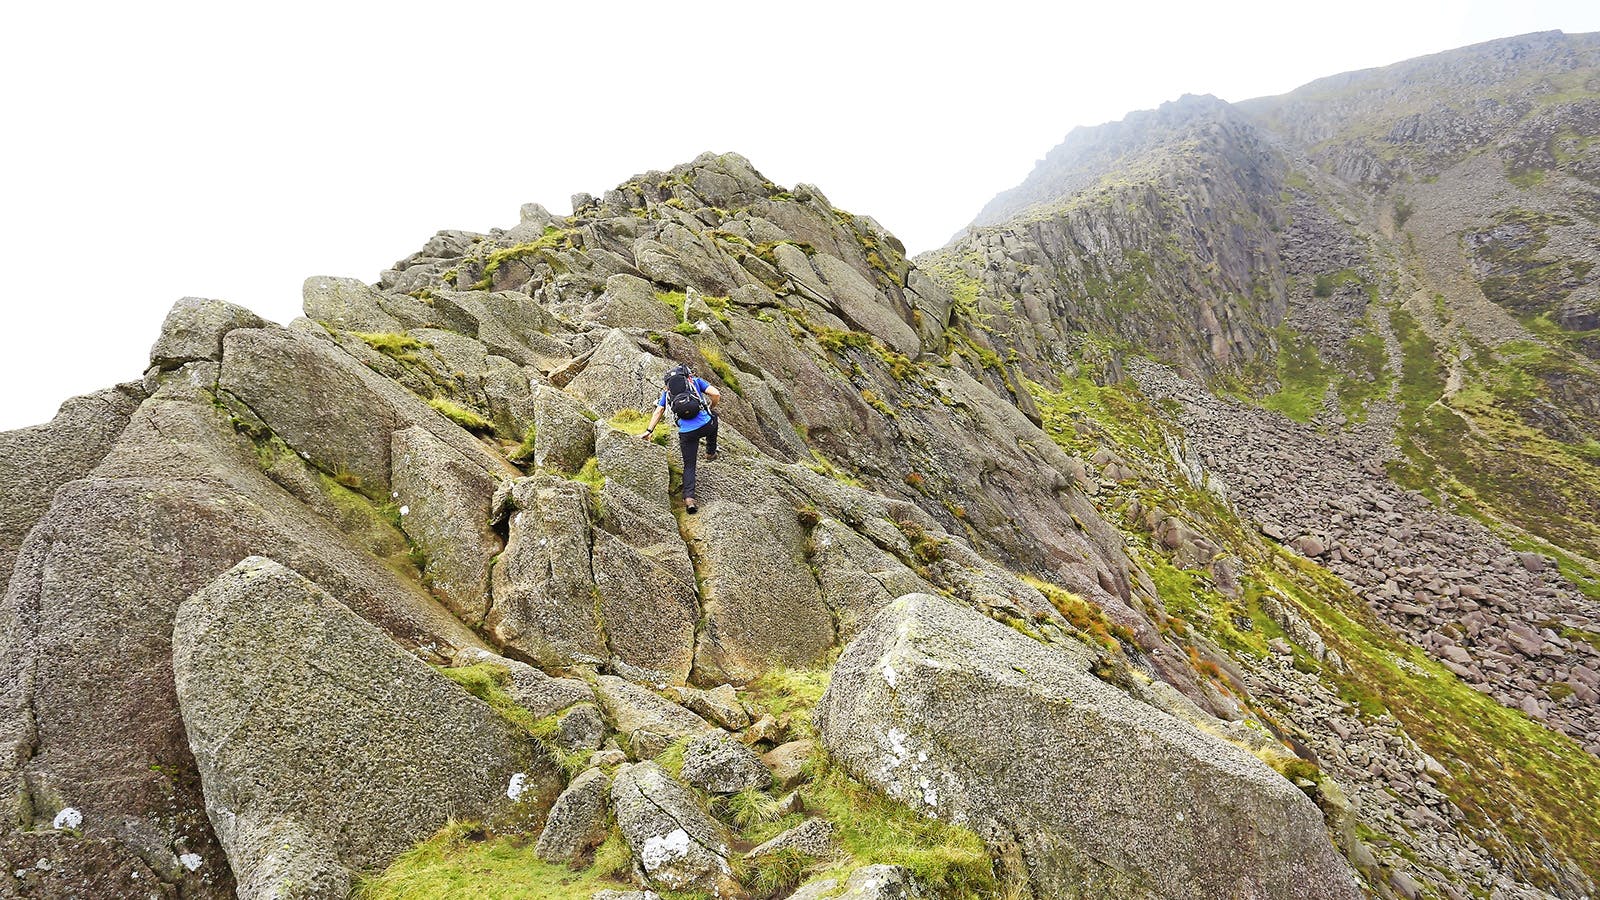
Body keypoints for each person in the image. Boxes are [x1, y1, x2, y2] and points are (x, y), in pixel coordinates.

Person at [643, 364, 720, 514]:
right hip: (706, 425)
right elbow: (716, 394)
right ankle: (710, 452)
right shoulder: (695, 382)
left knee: (689, 465)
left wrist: (649, 430)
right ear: (687, 375)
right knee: (714, 419)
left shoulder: (668, 392)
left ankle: (689, 498)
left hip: (686, 433)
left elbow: (659, 411)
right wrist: (711, 407)